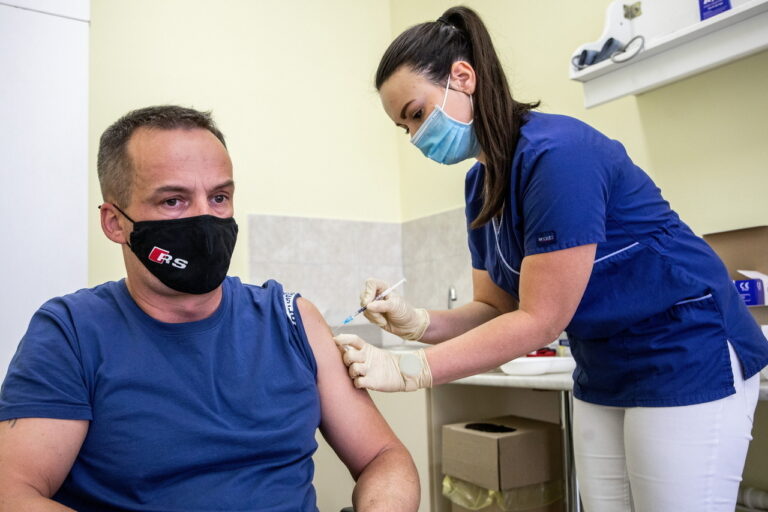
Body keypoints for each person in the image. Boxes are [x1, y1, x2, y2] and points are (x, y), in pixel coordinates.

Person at [333, 6, 768, 511]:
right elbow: (496, 309)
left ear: (463, 77)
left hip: (685, 347)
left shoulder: (558, 154)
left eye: (415, 113)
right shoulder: (480, 186)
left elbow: (541, 319)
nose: (414, 137)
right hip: (602, 364)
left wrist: (409, 369)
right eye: (403, 127)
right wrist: (417, 322)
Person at [0, 105, 419, 512]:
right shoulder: (71, 332)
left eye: (219, 197)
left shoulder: (291, 320)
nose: (205, 219)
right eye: (173, 201)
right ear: (115, 223)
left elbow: (383, 457)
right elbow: (12, 494)